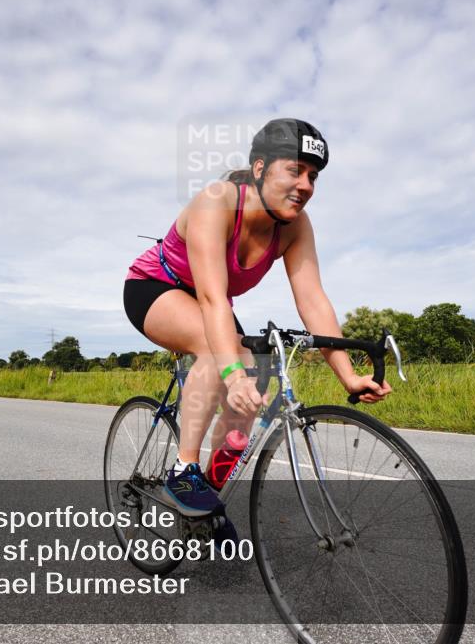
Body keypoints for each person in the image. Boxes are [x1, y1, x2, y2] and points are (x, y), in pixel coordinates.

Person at [123, 118, 392, 517]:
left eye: (313, 176)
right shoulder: (217, 202)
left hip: (210, 303)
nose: (305, 185)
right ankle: (183, 470)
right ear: (261, 168)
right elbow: (213, 299)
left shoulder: (295, 227)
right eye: (295, 170)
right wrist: (231, 374)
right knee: (219, 353)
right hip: (155, 287)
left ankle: (205, 505)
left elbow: (313, 300)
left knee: (252, 389)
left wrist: (348, 375)